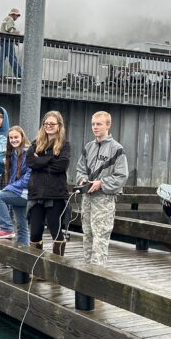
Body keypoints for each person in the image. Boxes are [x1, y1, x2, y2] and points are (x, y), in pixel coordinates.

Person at [75, 111, 129, 265]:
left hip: (104, 199)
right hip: (87, 198)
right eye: (93, 124)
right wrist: (82, 179)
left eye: (99, 124)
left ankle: (97, 274)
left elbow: (122, 176)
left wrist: (102, 183)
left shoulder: (117, 149)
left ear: (108, 125)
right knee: (87, 234)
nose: (95, 127)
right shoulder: (88, 147)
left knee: (100, 236)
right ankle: (87, 270)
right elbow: (80, 169)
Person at [27, 111, 72, 256]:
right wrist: (50, 158)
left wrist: (40, 161)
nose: (49, 126)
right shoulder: (35, 143)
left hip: (55, 195)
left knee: (56, 231)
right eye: (46, 124)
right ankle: (36, 266)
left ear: (59, 126)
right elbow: (30, 162)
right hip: (36, 194)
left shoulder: (65, 145)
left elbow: (62, 165)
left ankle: (57, 269)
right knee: (35, 233)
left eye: (52, 124)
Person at [0, 126, 32, 245]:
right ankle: (23, 255)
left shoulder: (28, 153)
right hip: (18, 191)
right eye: (11, 138)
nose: (13, 140)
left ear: (22, 137)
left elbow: (28, 179)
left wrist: (9, 188)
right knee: (22, 226)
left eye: (16, 137)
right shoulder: (13, 153)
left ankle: (6, 228)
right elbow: (13, 176)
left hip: (25, 192)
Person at [0, 7, 22, 78]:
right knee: (13, 58)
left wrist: (15, 40)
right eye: (17, 15)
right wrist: (16, 33)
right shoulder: (10, 19)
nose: (17, 17)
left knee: (2, 58)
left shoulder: (6, 19)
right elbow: (9, 29)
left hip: (3, 40)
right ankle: (20, 74)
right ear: (13, 14)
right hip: (7, 41)